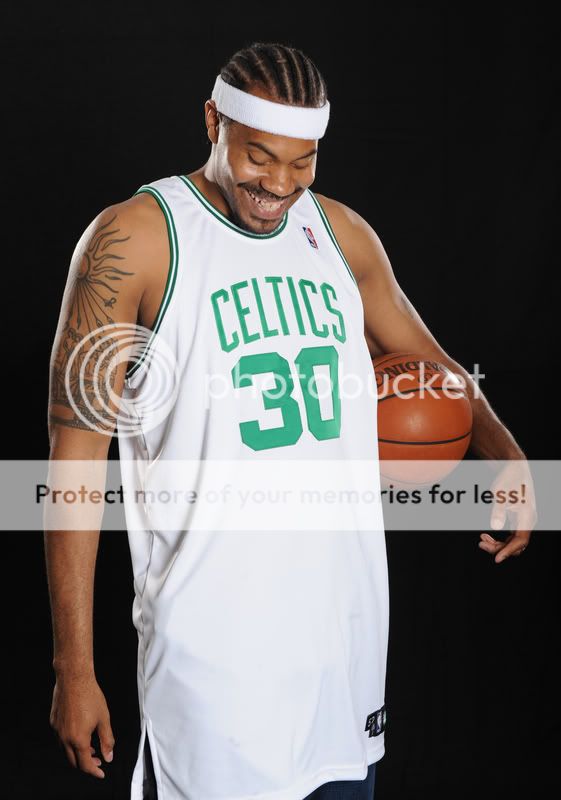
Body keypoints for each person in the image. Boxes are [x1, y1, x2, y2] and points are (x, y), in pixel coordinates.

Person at [44, 42, 536, 800]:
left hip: (343, 646)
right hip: (213, 661)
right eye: (258, 156)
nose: (279, 184)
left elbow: (433, 368)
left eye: (302, 162)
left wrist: (507, 455)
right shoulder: (134, 240)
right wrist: (73, 668)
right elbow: (73, 462)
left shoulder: (340, 236)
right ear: (213, 122)